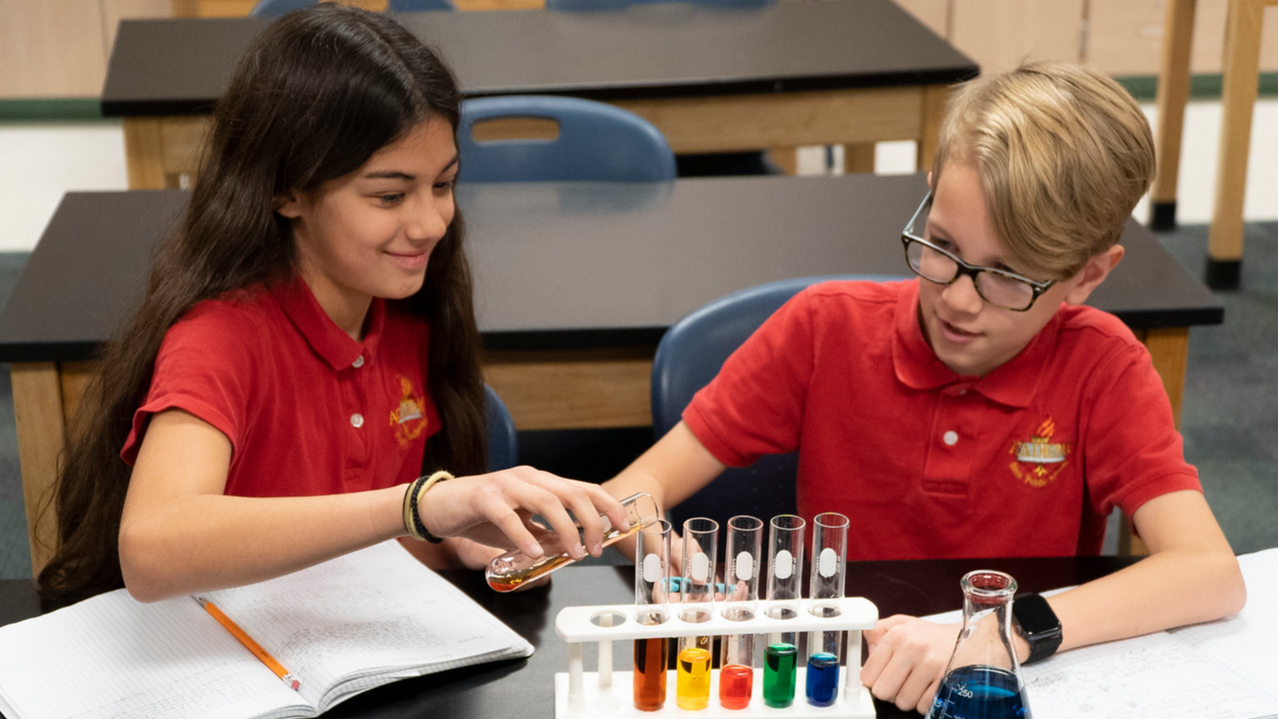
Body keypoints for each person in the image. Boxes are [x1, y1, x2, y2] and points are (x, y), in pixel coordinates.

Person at [602, 62, 1246, 713]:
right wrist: (672, 559)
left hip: (992, 692)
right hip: (833, 685)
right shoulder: (822, 328)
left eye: (1006, 275)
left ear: (1086, 274)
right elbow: (625, 495)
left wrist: (996, 634)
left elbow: (1209, 572)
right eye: (940, 244)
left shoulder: (1102, 367)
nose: (958, 300)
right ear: (931, 192)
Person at [36, 4, 626, 604]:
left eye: (443, 184)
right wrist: (419, 504)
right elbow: (151, 550)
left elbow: (367, 539)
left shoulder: (404, 313)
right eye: (390, 195)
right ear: (286, 189)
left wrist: (452, 541)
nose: (430, 223)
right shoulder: (219, 340)